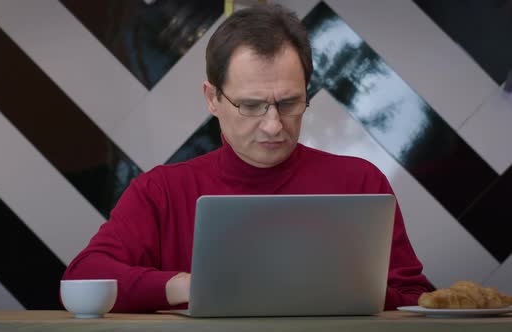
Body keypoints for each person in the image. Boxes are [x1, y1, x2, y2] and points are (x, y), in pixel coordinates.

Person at [62, 4, 433, 313]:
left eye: (289, 103)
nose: (273, 126)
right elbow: (83, 276)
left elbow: (415, 298)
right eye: (251, 106)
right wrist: (188, 285)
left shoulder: (360, 184)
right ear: (212, 99)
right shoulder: (161, 191)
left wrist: (344, 290)